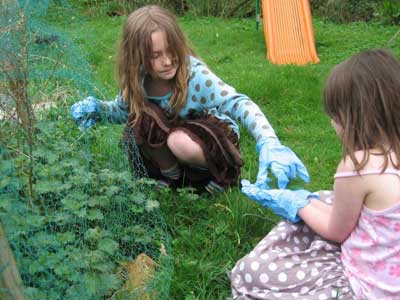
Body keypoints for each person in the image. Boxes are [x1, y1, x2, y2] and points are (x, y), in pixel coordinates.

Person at [70, 5, 309, 194]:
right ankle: (173, 175)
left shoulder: (195, 76)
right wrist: (97, 110)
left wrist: (268, 141)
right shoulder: (138, 83)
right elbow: (121, 111)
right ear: (137, 58)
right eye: (155, 55)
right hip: (178, 138)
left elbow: (237, 102)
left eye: (172, 49)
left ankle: (222, 174)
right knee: (138, 120)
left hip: (212, 137)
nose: (168, 60)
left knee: (178, 141)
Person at [230, 49, 400, 299]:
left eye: (335, 116)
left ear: (353, 117)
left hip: (368, 288)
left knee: (253, 271)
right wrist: (309, 200)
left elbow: (335, 232)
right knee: (323, 197)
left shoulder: (358, 166)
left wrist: (296, 203)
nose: (332, 124)